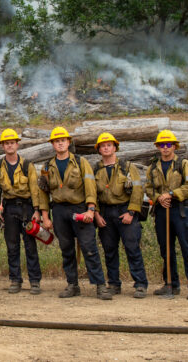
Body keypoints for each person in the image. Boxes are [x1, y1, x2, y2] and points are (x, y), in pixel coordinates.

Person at [38, 127, 111, 300]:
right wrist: (46, 217)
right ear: (53, 145)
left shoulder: (80, 162)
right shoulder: (47, 166)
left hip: (79, 209)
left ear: (68, 142)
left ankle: (100, 285)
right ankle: (72, 285)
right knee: (66, 249)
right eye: (57, 141)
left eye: (63, 140)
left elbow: (90, 187)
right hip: (59, 210)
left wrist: (91, 210)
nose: (60, 143)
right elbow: (43, 192)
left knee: (89, 248)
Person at [145, 129, 188, 300]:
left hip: (182, 211)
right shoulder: (153, 168)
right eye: (162, 145)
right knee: (166, 250)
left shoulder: (185, 165)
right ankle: (170, 284)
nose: (165, 148)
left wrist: (171, 194)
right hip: (162, 211)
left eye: (168, 144)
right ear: (158, 147)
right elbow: (148, 188)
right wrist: (158, 198)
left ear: (174, 146)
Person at [0, 129, 48, 295]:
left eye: (12, 143)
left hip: (27, 209)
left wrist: (36, 211)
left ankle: (35, 281)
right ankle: (15, 280)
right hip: (8, 209)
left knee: (30, 246)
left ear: (17, 144)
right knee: (12, 246)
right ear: (2, 146)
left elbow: (35, 189)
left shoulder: (27, 165)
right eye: (6, 143)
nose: (9, 146)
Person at [92, 132, 148, 299]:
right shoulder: (96, 169)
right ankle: (114, 284)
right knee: (109, 250)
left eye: (109, 145)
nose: (106, 148)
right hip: (105, 213)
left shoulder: (127, 167)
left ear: (115, 147)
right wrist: (96, 214)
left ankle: (140, 284)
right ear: (99, 150)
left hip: (125, 211)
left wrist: (131, 212)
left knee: (132, 249)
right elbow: (91, 192)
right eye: (103, 146)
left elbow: (138, 190)